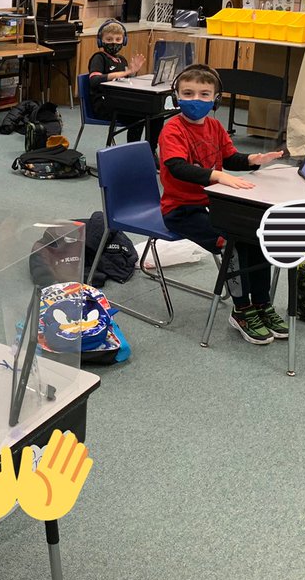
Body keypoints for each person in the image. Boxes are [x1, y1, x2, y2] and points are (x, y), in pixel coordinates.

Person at [157, 64, 286, 345]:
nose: (196, 100)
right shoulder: (172, 130)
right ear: (176, 96)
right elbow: (177, 167)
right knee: (233, 245)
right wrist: (217, 176)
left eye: (204, 94)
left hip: (213, 204)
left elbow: (229, 158)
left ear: (216, 99)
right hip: (181, 210)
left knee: (255, 236)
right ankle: (241, 310)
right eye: (188, 93)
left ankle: (262, 304)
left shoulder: (214, 127)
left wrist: (253, 160)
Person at [87, 19, 163, 149]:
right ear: (101, 41)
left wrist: (132, 74)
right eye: (109, 39)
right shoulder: (99, 57)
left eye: (117, 39)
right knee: (139, 117)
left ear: (124, 41)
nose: (113, 43)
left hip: (120, 102)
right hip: (104, 106)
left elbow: (126, 82)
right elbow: (94, 80)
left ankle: (150, 150)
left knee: (156, 114)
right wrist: (125, 73)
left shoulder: (121, 60)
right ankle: (133, 152)